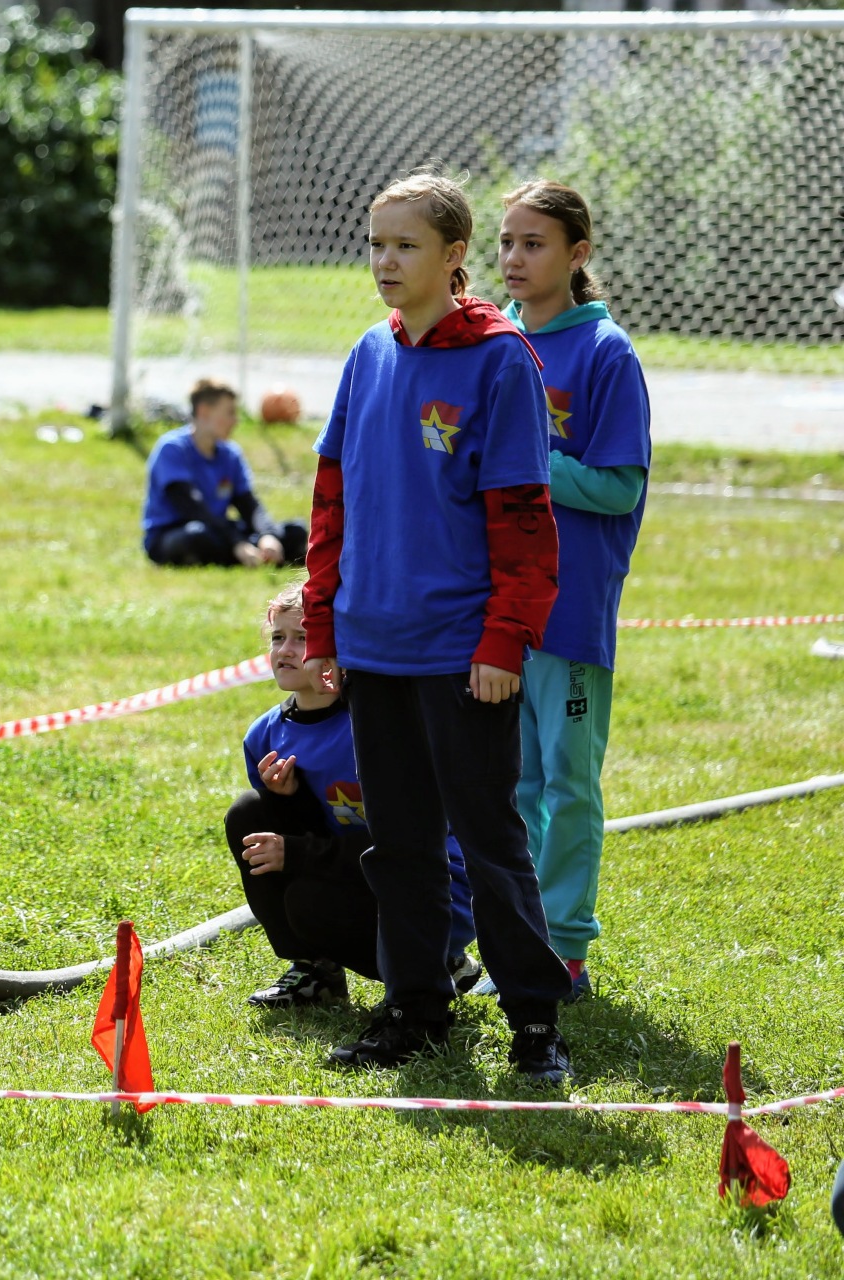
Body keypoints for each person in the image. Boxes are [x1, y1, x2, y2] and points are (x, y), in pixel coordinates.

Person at [301, 170, 573, 1081]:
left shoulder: (500, 360)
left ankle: (534, 1018)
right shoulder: (366, 354)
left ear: (454, 256)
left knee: (489, 840)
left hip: (463, 653)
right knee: (400, 842)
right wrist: (324, 626)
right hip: (372, 645)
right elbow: (331, 500)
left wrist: (504, 641)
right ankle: (415, 1006)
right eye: (376, 244)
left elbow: (526, 522)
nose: (386, 262)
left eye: (405, 245)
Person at [483, 181, 651, 1004]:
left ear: (577, 254)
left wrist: (530, 464)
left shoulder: (607, 353)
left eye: (534, 243)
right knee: (507, 784)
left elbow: (619, 487)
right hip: (496, 610)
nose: (514, 258)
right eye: (506, 242)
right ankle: (517, 939)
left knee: (567, 782)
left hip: (570, 610)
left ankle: (566, 948)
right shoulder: (494, 339)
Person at [228, 583, 479, 1007]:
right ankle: (315, 973)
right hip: (352, 872)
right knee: (248, 813)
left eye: (303, 638)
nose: (285, 651)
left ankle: (434, 962)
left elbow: (408, 841)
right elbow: (315, 829)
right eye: (278, 637)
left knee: (309, 903)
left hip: (434, 886)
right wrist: (289, 801)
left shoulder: (376, 725)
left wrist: (298, 853)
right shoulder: (264, 735)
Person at [143, 379, 307, 568]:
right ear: (204, 412)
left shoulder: (230, 454)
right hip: (178, 532)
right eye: (230, 413)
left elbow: (248, 504)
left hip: (219, 530)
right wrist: (236, 542)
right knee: (197, 536)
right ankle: (249, 554)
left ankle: (257, 553)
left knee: (296, 531)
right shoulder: (172, 449)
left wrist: (268, 535)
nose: (236, 421)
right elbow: (193, 508)